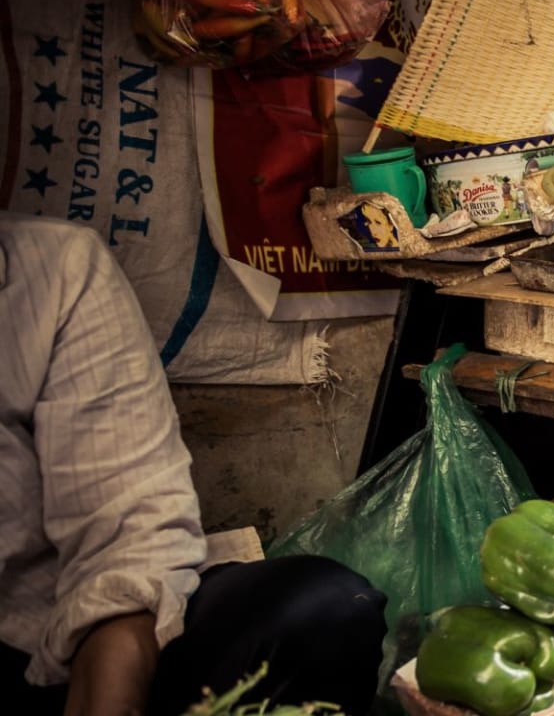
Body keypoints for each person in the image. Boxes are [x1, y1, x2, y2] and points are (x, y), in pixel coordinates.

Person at [0, 213, 388, 715]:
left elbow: (129, 529)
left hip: (51, 636)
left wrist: (114, 682)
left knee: (323, 608)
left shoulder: (53, 267)